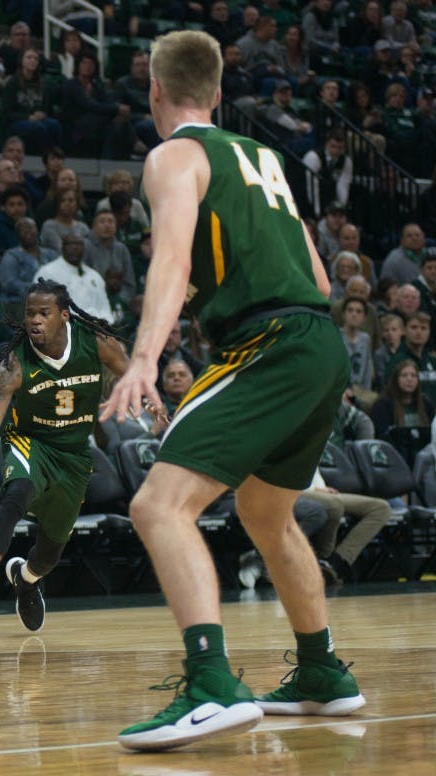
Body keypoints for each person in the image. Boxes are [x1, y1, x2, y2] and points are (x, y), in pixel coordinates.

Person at [99, 31, 364, 752]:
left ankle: (212, 684)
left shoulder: (172, 156)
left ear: (154, 90)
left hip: (267, 345)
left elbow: (174, 254)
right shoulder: (265, 159)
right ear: (218, 93)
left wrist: (145, 356)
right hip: (319, 343)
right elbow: (317, 279)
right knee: (264, 511)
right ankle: (321, 673)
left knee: (158, 505)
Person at [0, 278, 127, 637]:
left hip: (74, 455)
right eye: (30, 313)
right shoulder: (14, 364)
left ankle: (25, 579)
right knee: (15, 496)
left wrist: (151, 401)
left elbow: (132, 372)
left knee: (49, 552)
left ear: (64, 316)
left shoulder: (96, 343)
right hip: (30, 442)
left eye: (44, 313)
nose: (35, 320)